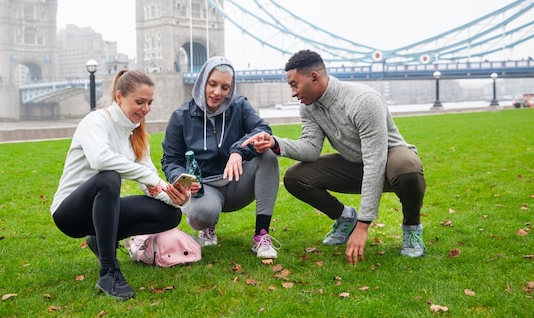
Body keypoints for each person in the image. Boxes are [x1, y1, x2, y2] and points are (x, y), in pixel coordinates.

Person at [243, 50, 426, 265]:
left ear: (314, 77)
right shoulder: (309, 107)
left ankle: (412, 228)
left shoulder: (364, 101)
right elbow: (310, 149)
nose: (293, 93)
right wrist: (275, 143)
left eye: (294, 85)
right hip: (354, 163)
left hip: (389, 161)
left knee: (408, 168)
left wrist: (364, 225)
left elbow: (375, 162)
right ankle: (345, 218)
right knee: (295, 177)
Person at [50, 69, 191, 301]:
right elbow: (100, 159)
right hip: (69, 214)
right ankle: (108, 272)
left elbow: (150, 183)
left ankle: (99, 239)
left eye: (149, 103)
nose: (145, 109)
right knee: (109, 177)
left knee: (170, 215)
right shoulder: (96, 121)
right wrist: (151, 179)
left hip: (103, 210)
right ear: (119, 97)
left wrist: (176, 196)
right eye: (139, 102)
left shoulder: (136, 135)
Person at [161, 56, 281, 259]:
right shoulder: (181, 117)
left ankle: (261, 235)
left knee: (268, 155)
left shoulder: (240, 106)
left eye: (225, 87)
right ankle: (207, 228)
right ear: (202, 82)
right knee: (202, 215)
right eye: (212, 84)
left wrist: (238, 151)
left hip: (237, 181)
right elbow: (170, 159)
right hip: (204, 187)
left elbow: (262, 129)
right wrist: (184, 180)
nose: (218, 93)